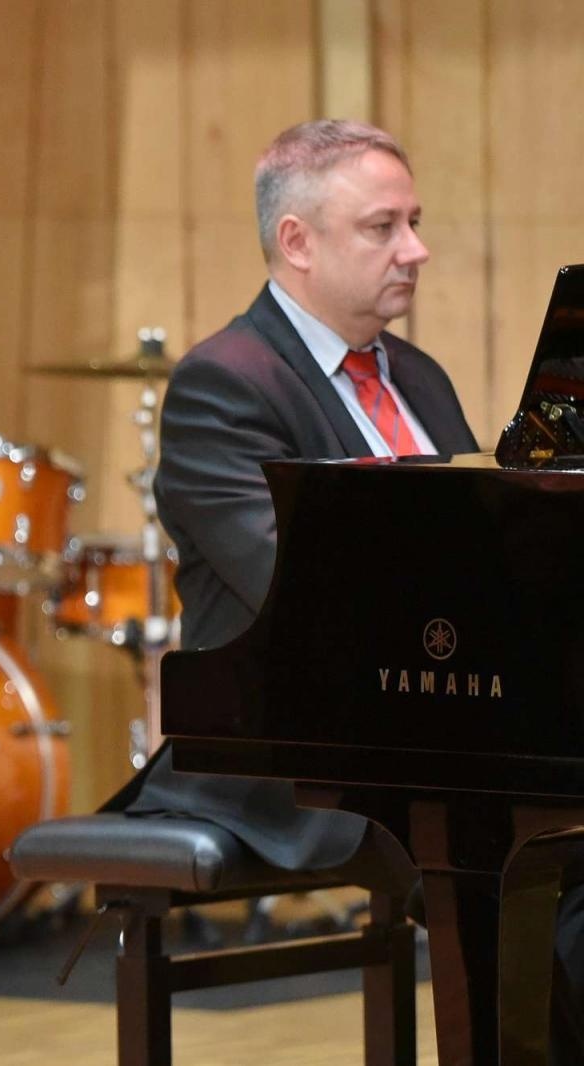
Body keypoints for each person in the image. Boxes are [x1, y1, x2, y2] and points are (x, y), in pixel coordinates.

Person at [107, 119, 479, 891]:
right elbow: (301, 590)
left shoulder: (421, 378)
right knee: (532, 870)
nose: (415, 249)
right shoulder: (224, 385)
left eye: (414, 222)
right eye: (383, 227)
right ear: (298, 242)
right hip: (297, 755)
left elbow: (486, 544)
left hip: (444, 715)